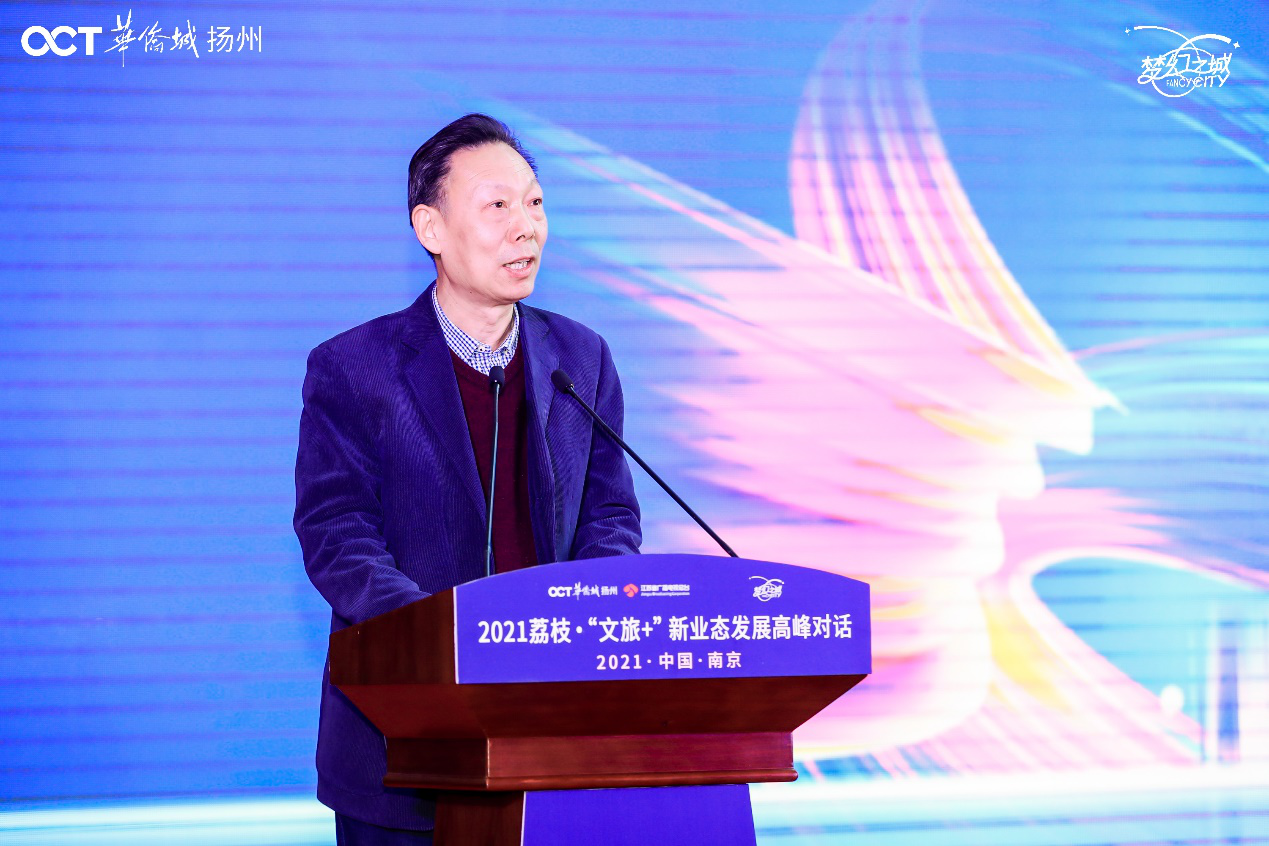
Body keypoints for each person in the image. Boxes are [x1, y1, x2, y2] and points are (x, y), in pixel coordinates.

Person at [292, 113, 643, 845]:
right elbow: (337, 535)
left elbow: (610, 516)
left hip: (552, 736)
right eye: (497, 206)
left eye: (535, 203)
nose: (526, 227)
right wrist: (447, 643)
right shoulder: (354, 369)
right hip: (401, 750)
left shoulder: (581, 359)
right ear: (430, 228)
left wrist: (587, 623)